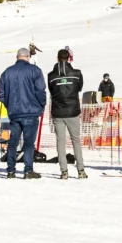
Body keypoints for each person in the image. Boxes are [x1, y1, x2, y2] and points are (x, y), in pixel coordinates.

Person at [0, 47, 47, 179]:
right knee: (29, 143)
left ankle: (11, 170)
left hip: (14, 113)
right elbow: (40, 90)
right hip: (31, 112)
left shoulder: (7, 72)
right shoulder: (35, 70)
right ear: (28, 57)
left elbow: (0, 94)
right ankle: (28, 170)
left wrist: (9, 105)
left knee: (13, 142)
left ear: (17, 57)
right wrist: (41, 104)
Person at [47, 46, 87, 180]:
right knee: (76, 140)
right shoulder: (77, 73)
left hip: (58, 112)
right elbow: (79, 88)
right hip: (73, 111)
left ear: (57, 59)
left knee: (60, 141)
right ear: (69, 58)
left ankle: (64, 171)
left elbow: (52, 91)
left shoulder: (51, 76)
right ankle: (80, 170)